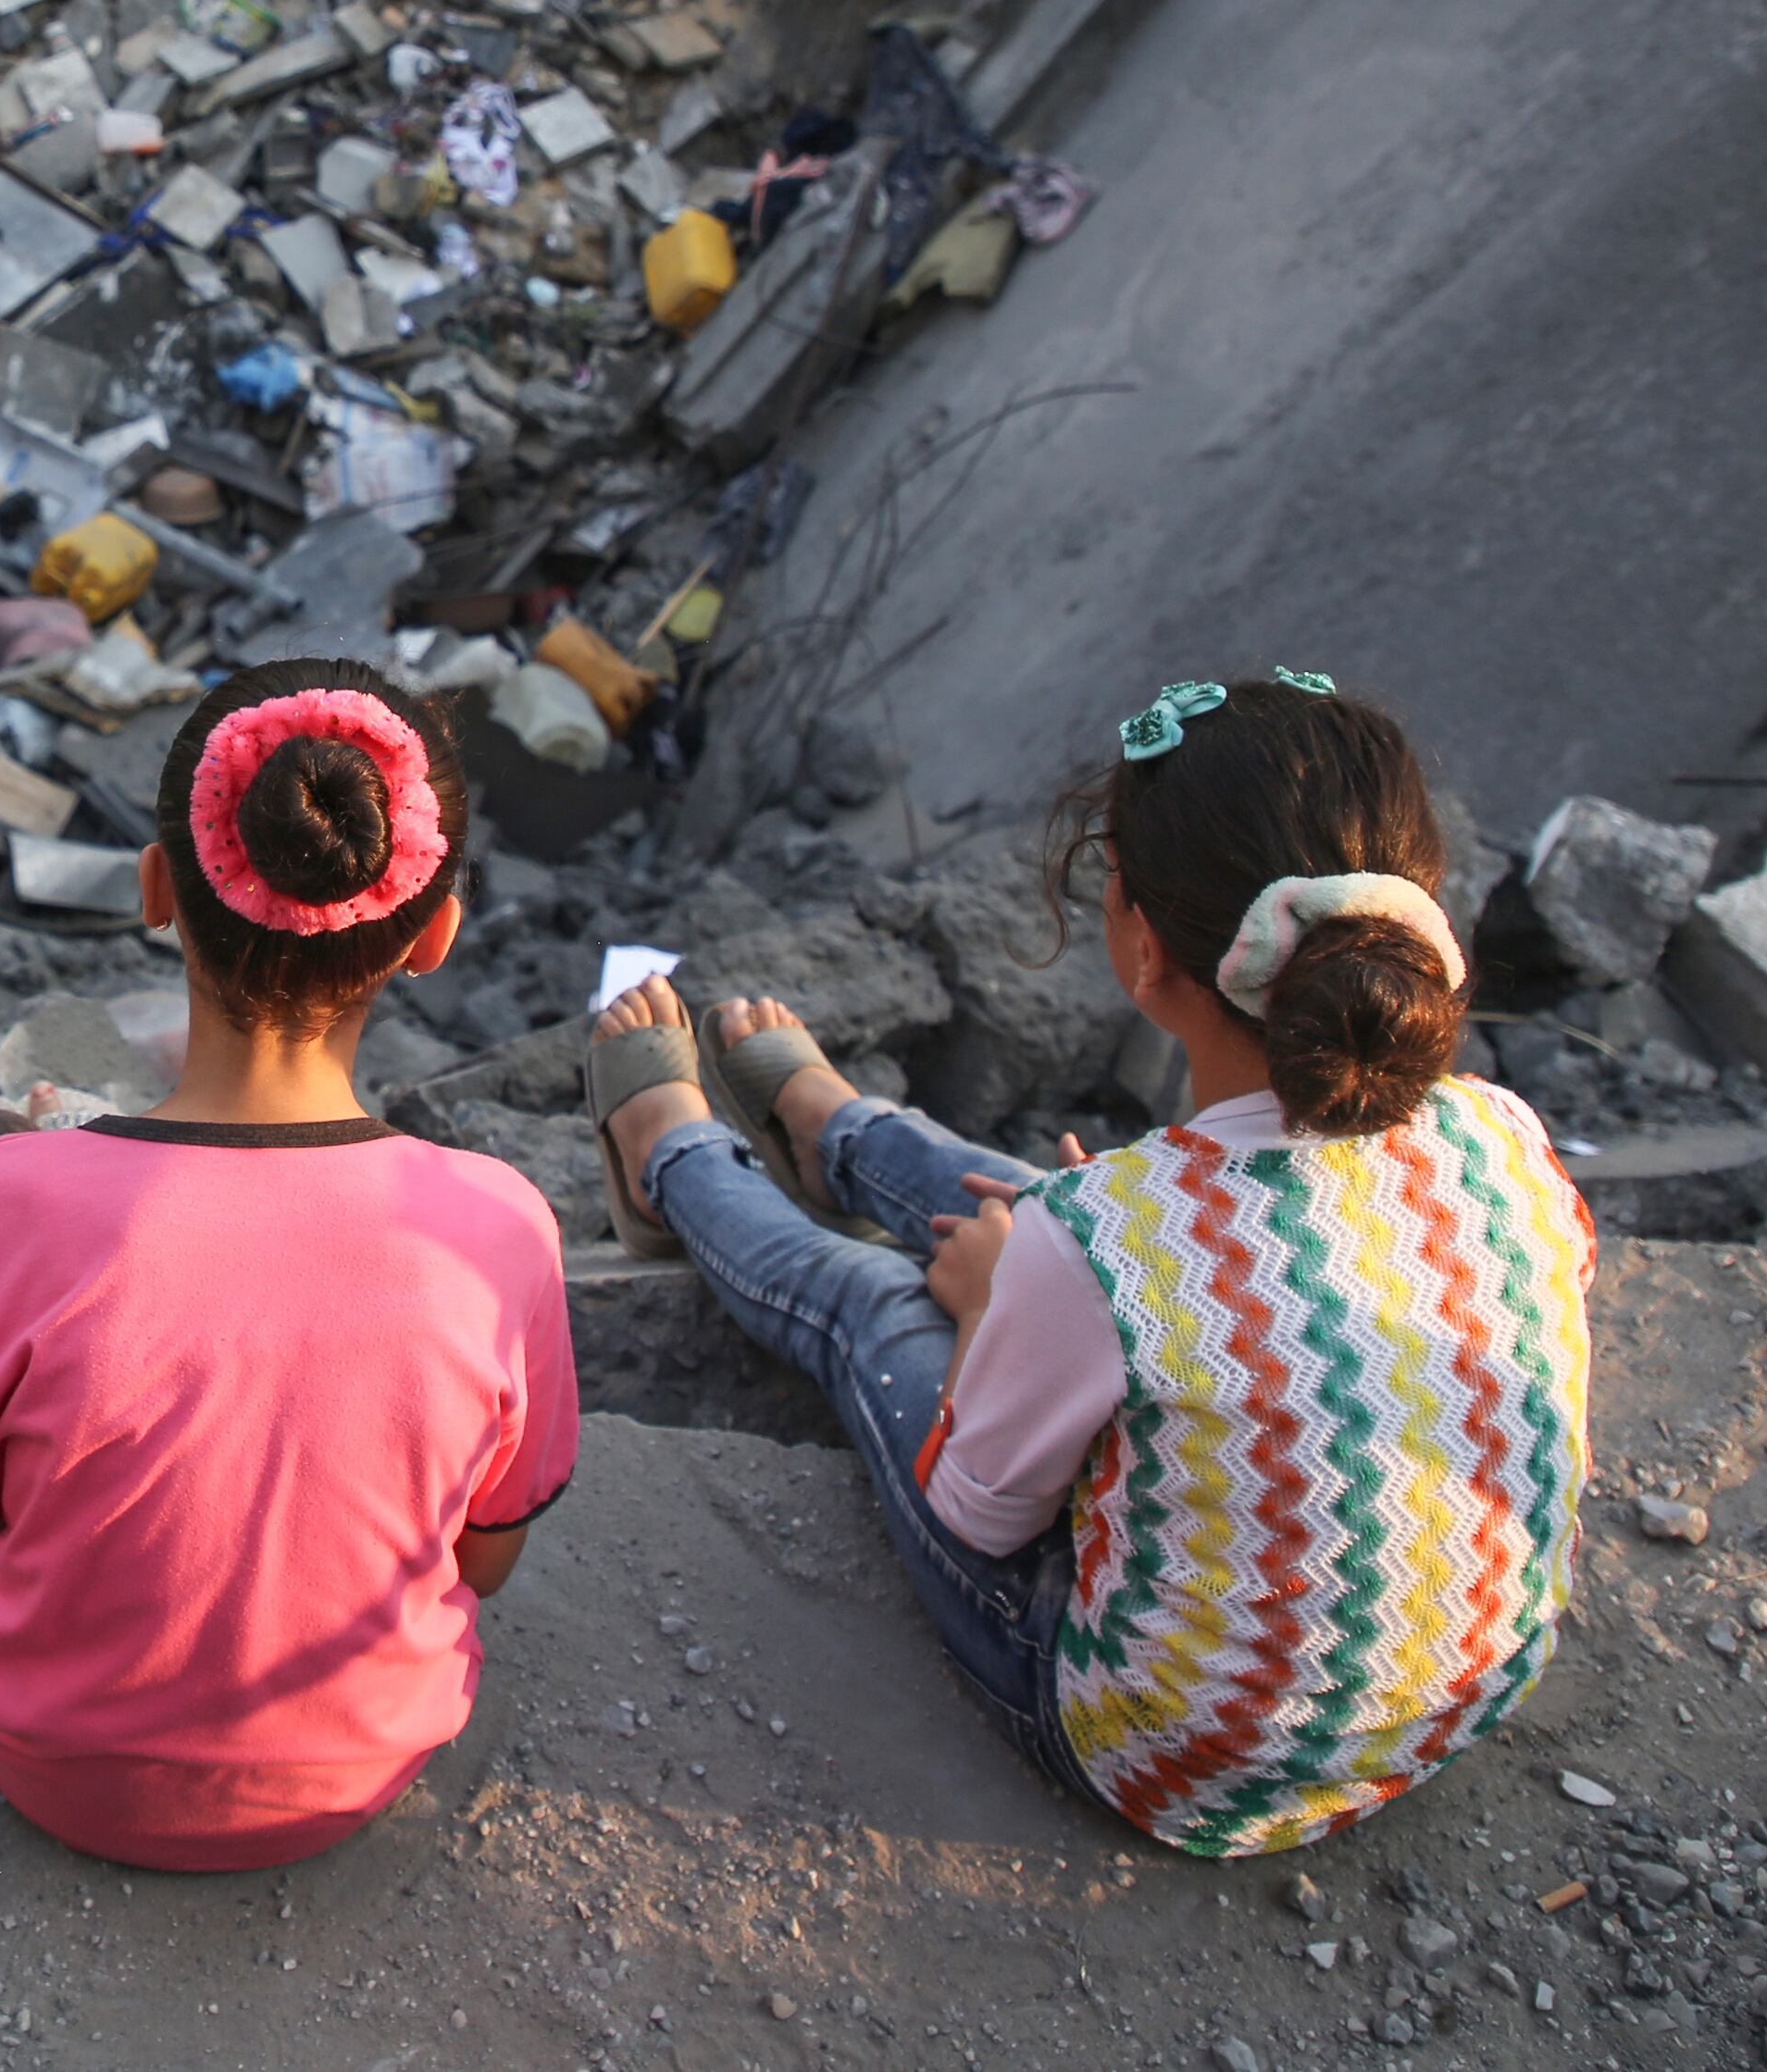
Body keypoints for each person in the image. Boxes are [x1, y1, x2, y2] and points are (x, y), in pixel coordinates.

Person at [588, 668, 1594, 1857]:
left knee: (873, 1303)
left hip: (1173, 1756)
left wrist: (976, 1313)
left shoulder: (1103, 1238)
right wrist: (1056, 1264)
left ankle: (670, 1155)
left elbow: (978, 1509)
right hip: (1450, 1698)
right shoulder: (1500, 1131)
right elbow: (1206, 1265)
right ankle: (840, 1132)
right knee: (1080, 1237)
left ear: (1142, 948)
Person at [0, 659, 577, 1871]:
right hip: (355, 1772)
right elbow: (487, 1557)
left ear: (156, 886)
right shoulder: (504, 1225)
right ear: (436, 939)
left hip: (44, 1762)